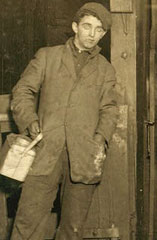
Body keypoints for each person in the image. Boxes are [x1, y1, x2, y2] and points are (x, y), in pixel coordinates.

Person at [10, 2, 118, 239]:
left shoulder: (105, 70)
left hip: (83, 157)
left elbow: (109, 109)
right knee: (26, 224)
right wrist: (29, 119)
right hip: (45, 151)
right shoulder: (48, 56)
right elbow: (22, 91)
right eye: (87, 26)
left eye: (98, 30)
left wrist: (99, 141)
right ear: (75, 27)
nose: (92, 34)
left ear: (103, 34)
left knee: (72, 230)